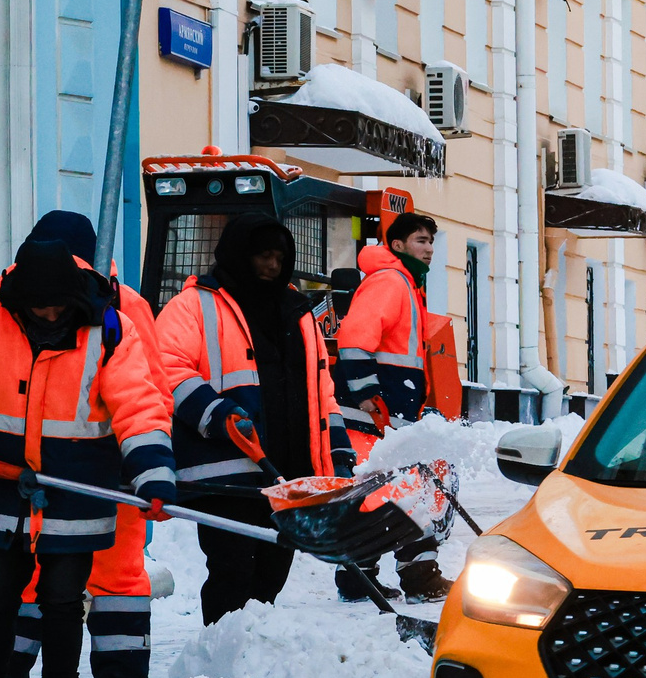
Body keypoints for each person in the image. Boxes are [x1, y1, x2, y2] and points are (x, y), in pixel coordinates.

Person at [0, 226, 174, 678]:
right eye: (37, 309)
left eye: (56, 309)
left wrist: (154, 471)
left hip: (76, 495)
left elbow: (139, 403)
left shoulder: (109, 326)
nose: (48, 317)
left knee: (63, 604)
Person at [157, 217, 356, 623]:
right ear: (239, 255)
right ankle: (219, 662)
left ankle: (252, 655)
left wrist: (337, 451)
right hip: (226, 475)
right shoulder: (193, 306)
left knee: (271, 574)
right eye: (264, 256)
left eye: (280, 257)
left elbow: (322, 393)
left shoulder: (298, 312)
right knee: (231, 572)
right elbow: (166, 367)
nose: (272, 265)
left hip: (287, 475)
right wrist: (216, 413)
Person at [334, 210, 449, 601]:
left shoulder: (406, 284)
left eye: (431, 241)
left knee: (383, 495)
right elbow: (353, 338)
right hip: (372, 415)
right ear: (397, 245)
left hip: (387, 414)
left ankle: (358, 578)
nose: (429, 249)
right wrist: (367, 394)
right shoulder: (391, 282)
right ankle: (417, 580)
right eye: (421, 241)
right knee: (402, 496)